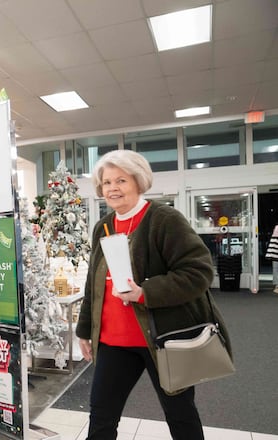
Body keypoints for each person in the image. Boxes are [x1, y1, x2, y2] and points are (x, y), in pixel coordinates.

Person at [76, 150, 231, 440]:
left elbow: (198, 272)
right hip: (113, 342)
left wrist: (145, 292)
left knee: (180, 416)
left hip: (163, 341)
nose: (112, 188)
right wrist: (84, 329)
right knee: (100, 419)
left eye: (120, 180)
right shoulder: (103, 227)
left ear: (138, 181)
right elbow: (93, 285)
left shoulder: (164, 220)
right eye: (106, 182)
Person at [267, 224, 278, 293]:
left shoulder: (277, 228)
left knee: (276, 269)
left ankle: (277, 285)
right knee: (276, 268)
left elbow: (273, 241)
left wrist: (270, 253)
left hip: (275, 252)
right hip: (275, 252)